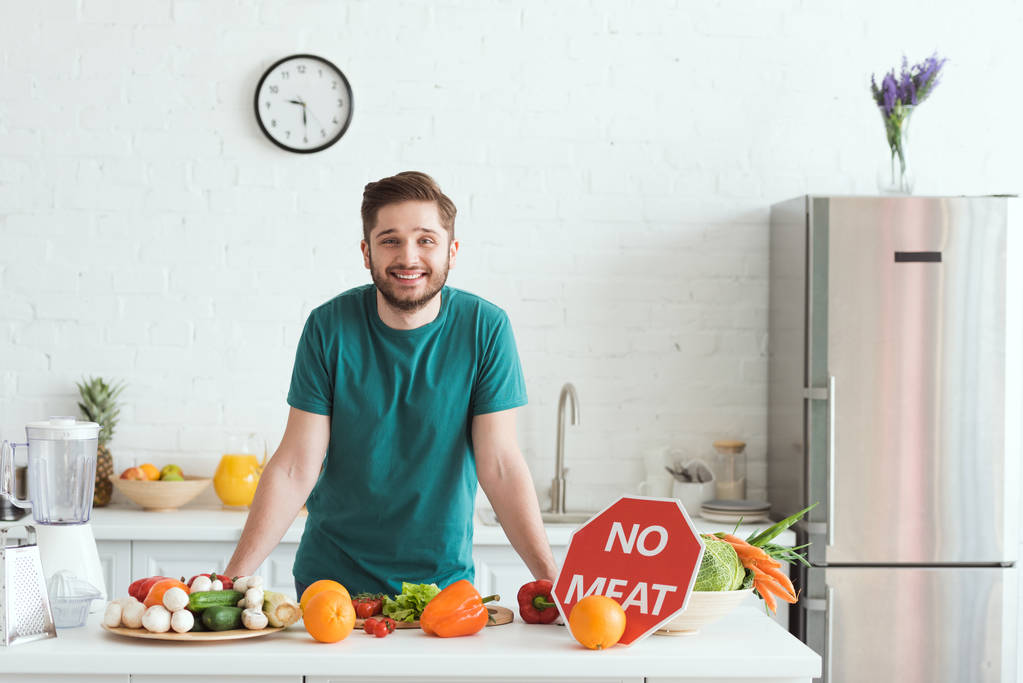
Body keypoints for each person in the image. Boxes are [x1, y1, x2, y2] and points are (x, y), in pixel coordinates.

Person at [224, 171, 558, 598]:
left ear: (451, 251)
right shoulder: (329, 327)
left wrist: (551, 577)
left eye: (425, 240)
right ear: (367, 252)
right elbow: (294, 466)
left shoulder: (485, 328)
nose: (408, 257)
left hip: (443, 589)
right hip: (331, 586)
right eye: (390, 240)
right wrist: (231, 580)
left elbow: (501, 466)